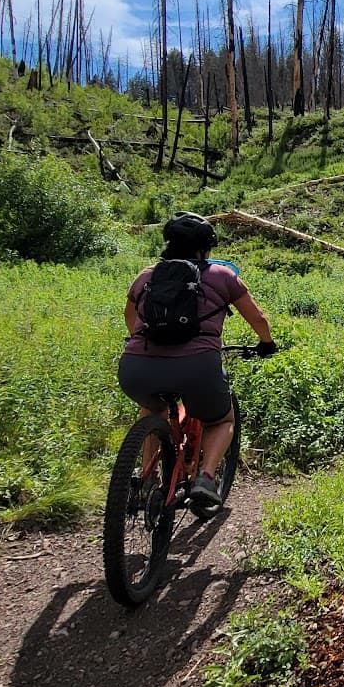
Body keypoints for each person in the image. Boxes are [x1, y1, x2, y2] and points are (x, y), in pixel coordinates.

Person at [117, 213, 276, 509]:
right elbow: (258, 318)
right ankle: (205, 477)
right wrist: (267, 344)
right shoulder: (221, 275)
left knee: (153, 408)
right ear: (206, 248)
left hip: (137, 367)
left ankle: (145, 480)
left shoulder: (146, 276)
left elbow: (130, 318)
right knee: (222, 420)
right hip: (197, 367)